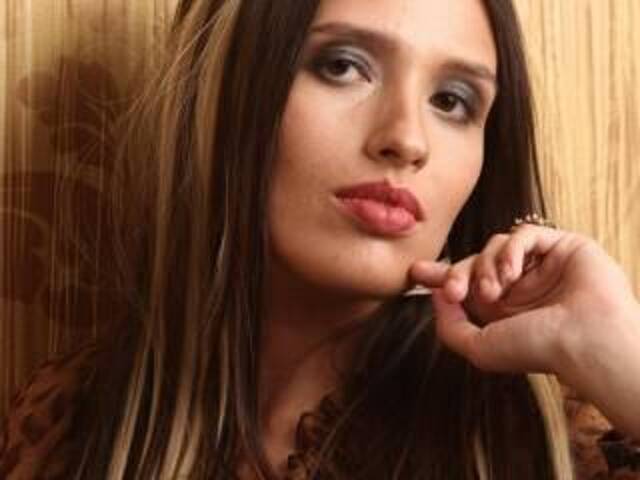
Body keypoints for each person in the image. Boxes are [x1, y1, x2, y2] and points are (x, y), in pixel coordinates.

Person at [1, 0, 639, 478]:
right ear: (223, 91)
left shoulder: (545, 443)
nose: (406, 139)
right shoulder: (72, 422)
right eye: (343, 66)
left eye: (451, 100)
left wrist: (620, 357)